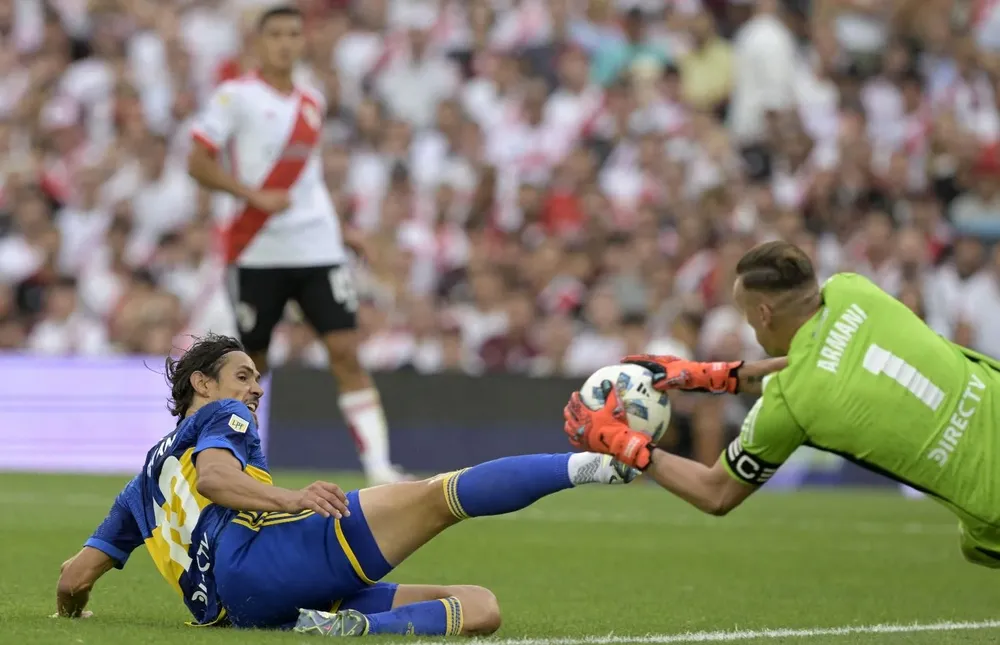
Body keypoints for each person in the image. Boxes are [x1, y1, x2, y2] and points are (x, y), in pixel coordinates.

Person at [54, 334, 637, 635]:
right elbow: (216, 478)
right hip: (266, 559)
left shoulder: (138, 489)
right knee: (441, 495)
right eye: (242, 376)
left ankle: (344, 628)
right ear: (202, 384)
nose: (254, 389)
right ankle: (599, 465)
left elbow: (73, 578)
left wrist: (71, 617)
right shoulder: (218, 416)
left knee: (479, 608)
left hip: (252, 611)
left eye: (257, 379)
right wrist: (291, 498)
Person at [564, 239, 1000, 567]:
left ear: (765, 315)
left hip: (993, 503)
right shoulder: (854, 290)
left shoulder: (791, 403)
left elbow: (714, 493)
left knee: (977, 540)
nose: (753, 330)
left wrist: (623, 442)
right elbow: (824, 359)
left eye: (749, 318)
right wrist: (709, 376)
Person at [186, 5, 404, 485]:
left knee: (345, 350)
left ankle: (379, 468)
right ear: (259, 42)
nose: (285, 43)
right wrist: (251, 195)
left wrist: (341, 228)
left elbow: (309, 179)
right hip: (258, 249)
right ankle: (230, 463)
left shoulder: (312, 101)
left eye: (293, 34)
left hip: (316, 248)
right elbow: (197, 162)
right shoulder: (234, 97)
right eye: (276, 35)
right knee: (249, 368)